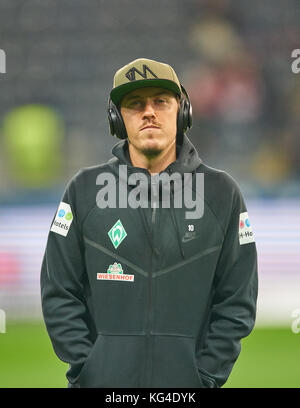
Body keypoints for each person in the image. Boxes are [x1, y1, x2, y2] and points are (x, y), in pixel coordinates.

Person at [40, 58, 258, 388]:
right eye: (135, 104)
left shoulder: (221, 193)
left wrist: (204, 378)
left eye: (160, 101)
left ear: (182, 111)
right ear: (116, 118)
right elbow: (59, 292)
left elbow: (237, 300)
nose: (149, 112)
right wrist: (91, 371)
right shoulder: (82, 191)